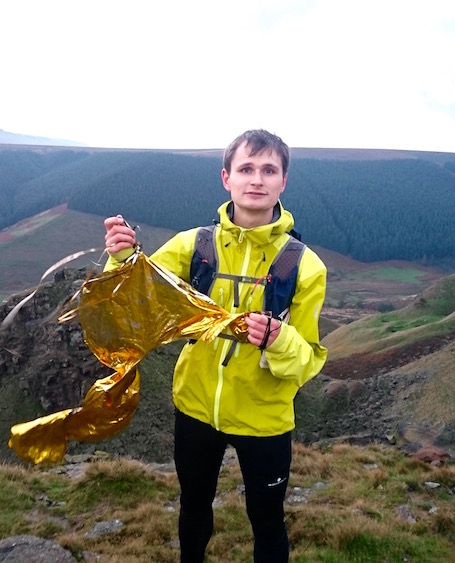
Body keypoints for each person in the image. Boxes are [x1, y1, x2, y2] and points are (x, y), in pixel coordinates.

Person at [103, 129, 327, 562]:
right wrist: (122, 256)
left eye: (268, 170)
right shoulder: (194, 246)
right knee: (193, 510)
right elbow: (139, 294)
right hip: (196, 406)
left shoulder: (305, 266)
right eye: (246, 169)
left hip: (264, 417)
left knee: (267, 521)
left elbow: (308, 361)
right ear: (227, 177)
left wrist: (280, 341)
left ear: (284, 182)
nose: (256, 180)